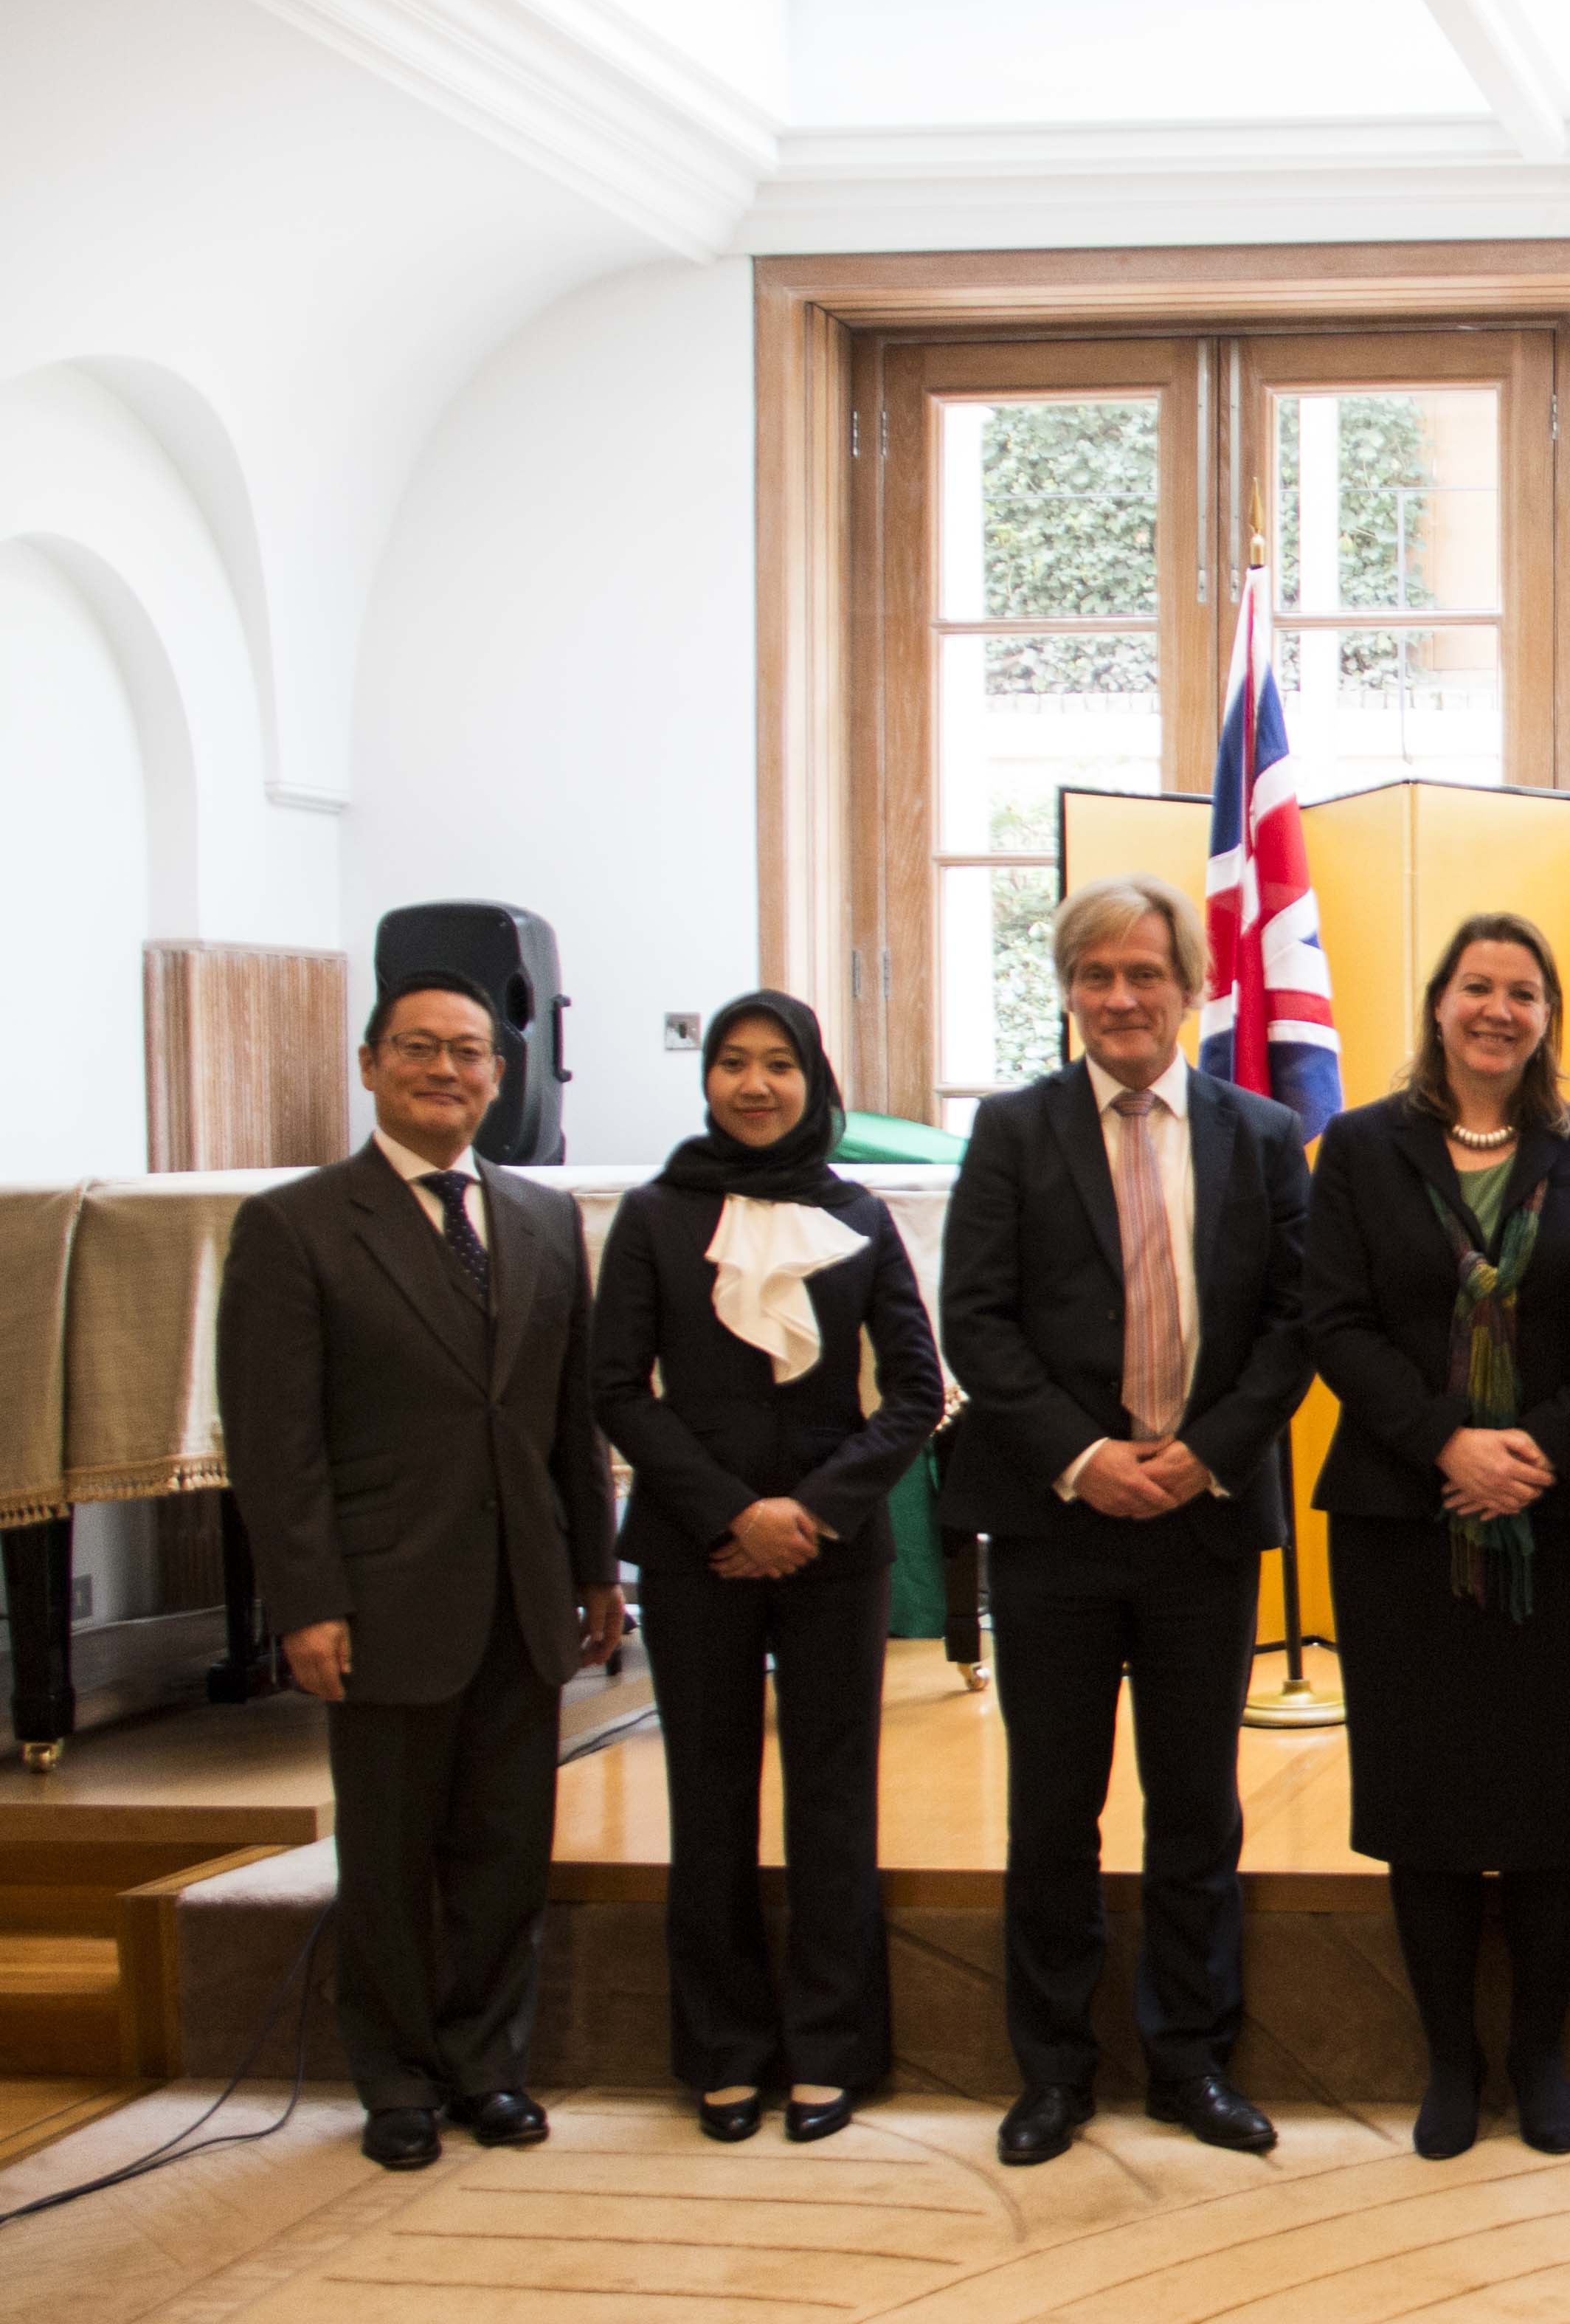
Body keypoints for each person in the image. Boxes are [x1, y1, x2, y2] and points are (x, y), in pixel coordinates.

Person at [216, 970, 623, 2170]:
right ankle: (394, 2077)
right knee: (390, 1857)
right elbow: (275, 1441)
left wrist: (597, 1570)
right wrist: (308, 1602)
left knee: (506, 1848)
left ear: (500, 1075)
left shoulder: (543, 1220)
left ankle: (488, 2065)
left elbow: (566, 1421)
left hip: (523, 1588)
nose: (445, 1070)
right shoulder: (295, 1225)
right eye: (418, 1049)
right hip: (384, 1592)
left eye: (468, 1052)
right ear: (369, 1065)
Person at [937, 874, 1315, 2168]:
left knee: (1195, 1808)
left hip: (1201, 1520)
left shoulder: (1262, 1138)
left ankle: (1191, 2062)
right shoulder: (1012, 1131)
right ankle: (1050, 2072)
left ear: (1190, 988)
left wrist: (1201, 1454)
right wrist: (1086, 1456)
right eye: (1095, 975)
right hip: (1056, 1526)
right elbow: (975, 1319)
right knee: (1052, 1808)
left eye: (1144, 973)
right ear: (1067, 992)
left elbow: (1293, 1324)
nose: (1120, 998)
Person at [1304, 914, 1570, 2162]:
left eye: (1524, 991)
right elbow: (1335, 1321)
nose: (1498, 1009)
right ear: (1438, 1003)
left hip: (1567, 1519)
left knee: (1556, 1789)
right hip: (1405, 1516)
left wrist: (1537, 1449)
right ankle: (1450, 2059)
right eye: (1476, 987)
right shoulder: (1356, 1147)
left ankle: (1541, 2052)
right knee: (1424, 1787)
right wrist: (1449, 1440)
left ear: (1549, 1015)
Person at [592, 992, 944, 2145]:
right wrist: (733, 1511)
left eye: (778, 1064)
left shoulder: (859, 1212)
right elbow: (612, 1390)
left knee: (833, 1801)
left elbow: (912, 1390)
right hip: (700, 1550)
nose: (755, 1084)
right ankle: (724, 2050)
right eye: (733, 1064)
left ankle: (831, 2050)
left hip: (833, 1550)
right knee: (710, 1798)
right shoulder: (653, 1215)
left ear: (814, 1079)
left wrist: (813, 1509)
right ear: (706, 1081)